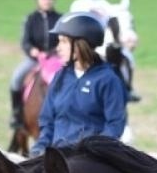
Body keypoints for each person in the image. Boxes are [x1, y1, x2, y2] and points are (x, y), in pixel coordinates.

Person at [30, 13, 127, 154]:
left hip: (90, 157)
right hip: (59, 156)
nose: (58, 48)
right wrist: (41, 146)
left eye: (64, 42)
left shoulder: (108, 80)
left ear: (80, 44)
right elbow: (47, 119)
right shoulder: (60, 76)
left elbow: (114, 125)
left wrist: (93, 151)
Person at [70, 0, 141, 102]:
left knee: (126, 57)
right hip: (84, 40)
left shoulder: (103, 3)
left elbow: (114, 19)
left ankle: (127, 88)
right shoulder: (77, 4)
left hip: (103, 40)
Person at [10, 0, 62, 133]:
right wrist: (32, 51)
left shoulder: (60, 18)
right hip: (34, 59)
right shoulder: (30, 19)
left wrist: (54, 51)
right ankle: (17, 115)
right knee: (16, 79)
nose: (47, 1)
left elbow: (64, 39)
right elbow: (25, 41)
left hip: (56, 59)